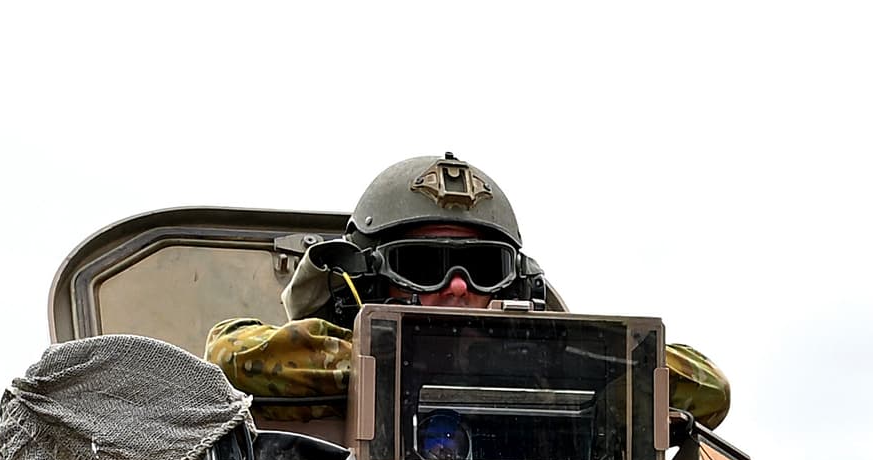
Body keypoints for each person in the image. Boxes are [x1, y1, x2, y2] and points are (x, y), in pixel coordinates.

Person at [205, 151, 730, 441]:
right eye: (421, 266)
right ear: (368, 281)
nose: (457, 286)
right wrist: (392, 364)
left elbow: (709, 391)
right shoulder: (326, 365)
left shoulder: (552, 377)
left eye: (482, 268)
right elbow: (225, 357)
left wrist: (556, 358)